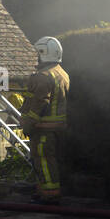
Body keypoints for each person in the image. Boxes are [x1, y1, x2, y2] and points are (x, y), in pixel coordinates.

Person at [15, 36, 70, 204]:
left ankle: (50, 194)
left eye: (38, 53)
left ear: (44, 54)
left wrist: (28, 124)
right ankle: (45, 190)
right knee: (51, 160)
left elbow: (39, 103)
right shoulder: (61, 73)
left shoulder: (43, 76)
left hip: (43, 128)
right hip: (58, 127)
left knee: (43, 161)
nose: (36, 57)